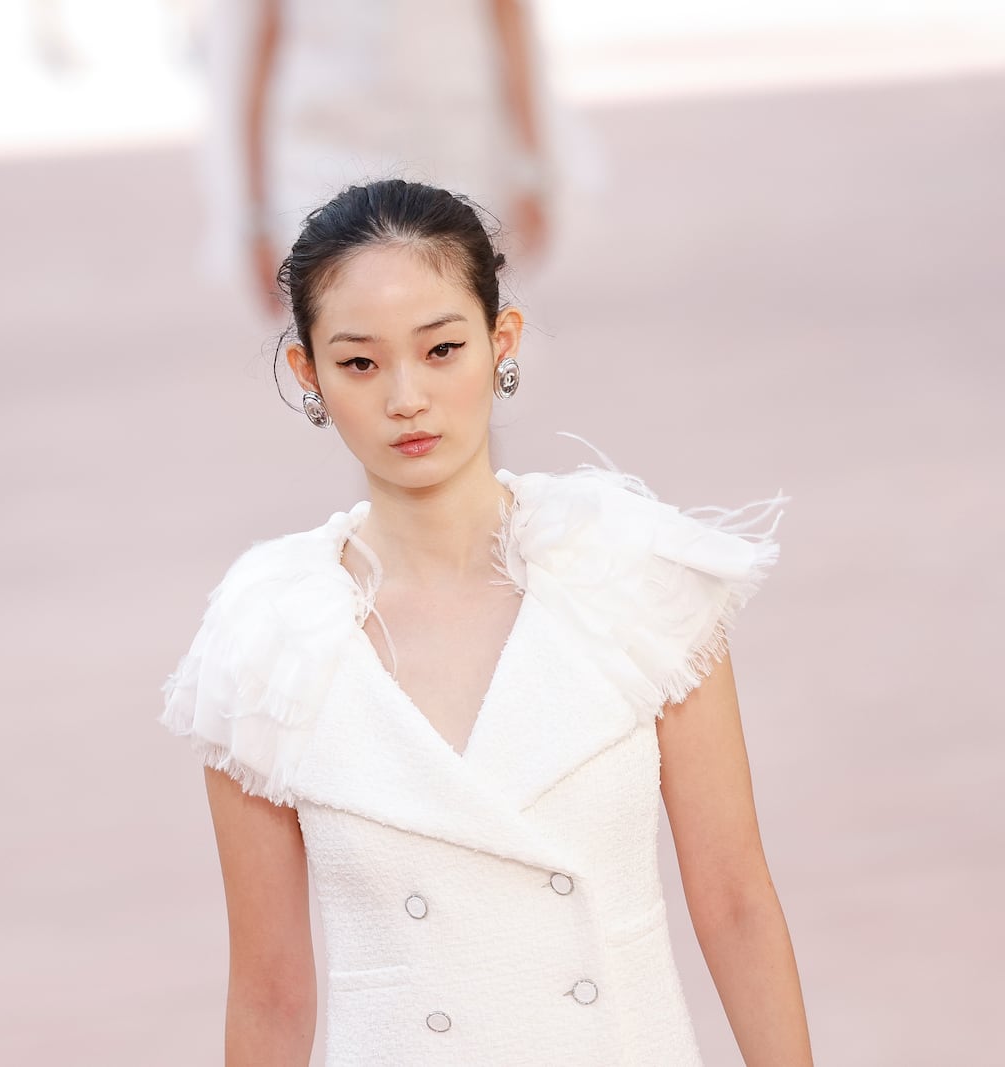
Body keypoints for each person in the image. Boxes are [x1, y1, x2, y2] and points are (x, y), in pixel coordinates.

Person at [157, 180, 813, 1064]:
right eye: (360, 362)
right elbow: (270, 994)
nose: (406, 397)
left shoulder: (633, 584)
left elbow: (734, 898)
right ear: (306, 372)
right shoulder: (270, 644)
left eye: (441, 349)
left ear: (501, 342)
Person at [198, 0, 567, 319]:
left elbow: (508, 17)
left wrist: (530, 168)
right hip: (320, 154)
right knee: (341, 329)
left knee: (455, 320)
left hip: (451, 142)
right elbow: (256, 44)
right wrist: (255, 217)